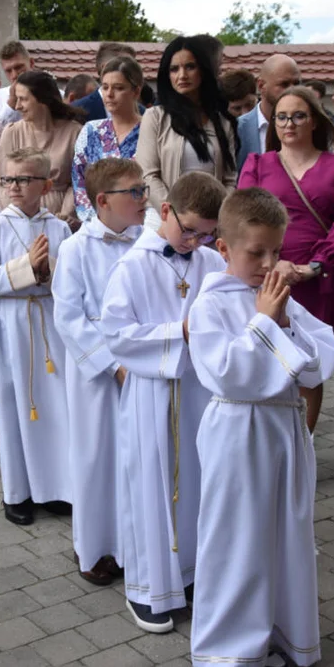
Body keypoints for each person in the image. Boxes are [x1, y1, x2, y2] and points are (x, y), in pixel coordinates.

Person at [189, 188, 334, 667]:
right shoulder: (211, 302)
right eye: (256, 252)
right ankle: (223, 649)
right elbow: (226, 373)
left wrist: (279, 322)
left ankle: (269, 634)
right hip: (238, 429)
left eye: (277, 251)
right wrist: (264, 323)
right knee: (236, 536)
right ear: (224, 248)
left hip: (283, 427)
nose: (270, 263)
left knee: (281, 531)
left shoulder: (280, 298)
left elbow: (319, 358)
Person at [101, 171, 227, 634]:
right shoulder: (133, 266)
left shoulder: (211, 263)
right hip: (153, 392)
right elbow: (116, 334)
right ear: (167, 210)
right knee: (153, 486)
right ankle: (148, 589)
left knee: (197, 482)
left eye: (207, 233)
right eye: (188, 229)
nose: (195, 241)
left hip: (202, 390)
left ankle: (189, 575)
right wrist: (181, 332)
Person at [238, 86, 334, 433]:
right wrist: (271, 262)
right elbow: (245, 216)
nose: (289, 124)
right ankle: (265, 437)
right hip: (267, 278)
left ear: (314, 120)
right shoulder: (258, 163)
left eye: (298, 115)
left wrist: (316, 265)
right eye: (281, 117)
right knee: (265, 357)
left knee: (308, 363)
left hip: (317, 280)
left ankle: (302, 443)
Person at [53, 158, 146, 586]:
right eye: (135, 192)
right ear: (103, 201)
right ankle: (93, 547)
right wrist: (113, 364)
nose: (144, 199)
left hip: (142, 367)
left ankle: (133, 545)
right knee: (96, 457)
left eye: (144, 189)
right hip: (98, 374)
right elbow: (70, 318)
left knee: (135, 456)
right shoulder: (75, 248)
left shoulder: (147, 242)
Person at [0, 147, 72, 525]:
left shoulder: (59, 228)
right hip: (13, 323)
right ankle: (18, 492)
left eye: (23, 179)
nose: (13, 186)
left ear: (45, 184)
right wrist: (25, 268)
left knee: (54, 405)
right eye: (8, 179)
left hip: (49, 321)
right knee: (17, 405)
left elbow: (69, 277)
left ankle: (56, 487)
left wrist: (48, 274)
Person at [137, 36, 238, 225]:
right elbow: (148, 174)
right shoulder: (155, 117)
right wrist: (175, 215)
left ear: (203, 70)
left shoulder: (223, 123)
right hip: (163, 219)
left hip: (211, 225)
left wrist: (217, 217)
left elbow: (230, 179)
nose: (182, 75)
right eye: (174, 69)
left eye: (190, 67)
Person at [0, 72, 84, 224]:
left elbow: (79, 181)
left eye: (23, 99)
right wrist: (17, 215)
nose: (17, 106)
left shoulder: (75, 132)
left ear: (43, 99)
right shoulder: (12, 133)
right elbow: (1, 183)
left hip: (62, 218)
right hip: (20, 219)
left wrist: (64, 216)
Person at [72, 57, 144, 222]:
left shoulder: (150, 130)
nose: (110, 94)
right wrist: (93, 220)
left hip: (141, 225)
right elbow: (79, 181)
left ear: (136, 91)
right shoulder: (91, 130)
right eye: (105, 87)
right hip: (97, 224)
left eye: (118, 88)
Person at [236, 55, 302, 173]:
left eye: (296, 83)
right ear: (261, 86)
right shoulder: (237, 129)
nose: (292, 90)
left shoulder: (308, 127)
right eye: (284, 84)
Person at [72, 42, 139, 122]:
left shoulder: (144, 113)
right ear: (105, 68)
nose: (133, 72)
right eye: (126, 66)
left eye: (134, 67)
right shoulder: (78, 112)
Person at [0, 41, 34, 126]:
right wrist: (10, 105)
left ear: (31, 63)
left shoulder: (55, 94)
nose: (14, 75)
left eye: (19, 67)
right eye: (8, 71)